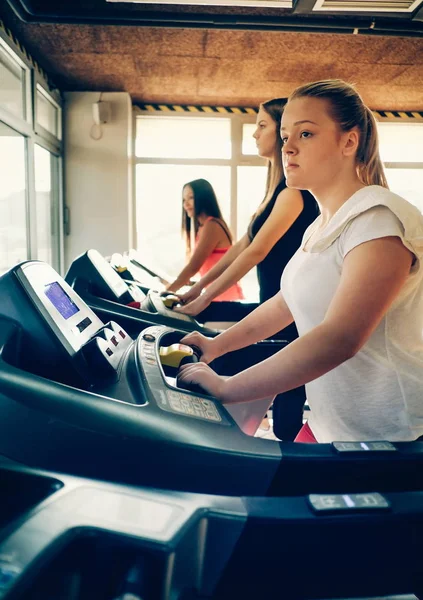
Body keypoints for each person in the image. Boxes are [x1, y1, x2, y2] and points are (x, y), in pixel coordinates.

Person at [177, 79, 423, 444]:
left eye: (306, 134)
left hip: (389, 435)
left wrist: (228, 387)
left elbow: (340, 339)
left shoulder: (377, 220)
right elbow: (285, 302)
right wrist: (218, 344)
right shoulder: (324, 223)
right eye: (285, 135)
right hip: (331, 425)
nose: (288, 147)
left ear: (349, 141)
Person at [165, 179, 243, 301]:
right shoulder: (202, 227)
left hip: (225, 298)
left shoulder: (212, 226)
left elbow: (193, 267)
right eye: (184, 200)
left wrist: (166, 292)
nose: (186, 204)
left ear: (204, 198)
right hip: (216, 295)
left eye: (191, 198)